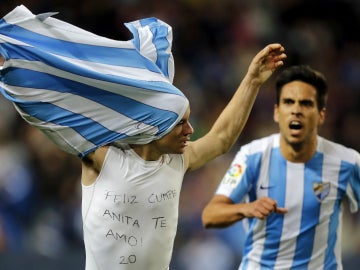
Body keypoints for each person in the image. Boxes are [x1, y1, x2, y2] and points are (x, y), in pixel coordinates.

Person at [0, 37, 286, 270]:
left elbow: (222, 138)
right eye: (181, 124)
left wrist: (252, 80)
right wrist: (14, 75)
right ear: (155, 128)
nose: (190, 130)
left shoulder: (178, 161)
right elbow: (48, 119)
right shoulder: (101, 158)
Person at [202, 65, 360, 269]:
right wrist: (247, 208)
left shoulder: (346, 162)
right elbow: (210, 215)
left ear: (321, 114)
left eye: (305, 103)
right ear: (277, 112)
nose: (296, 110)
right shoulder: (252, 156)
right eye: (288, 102)